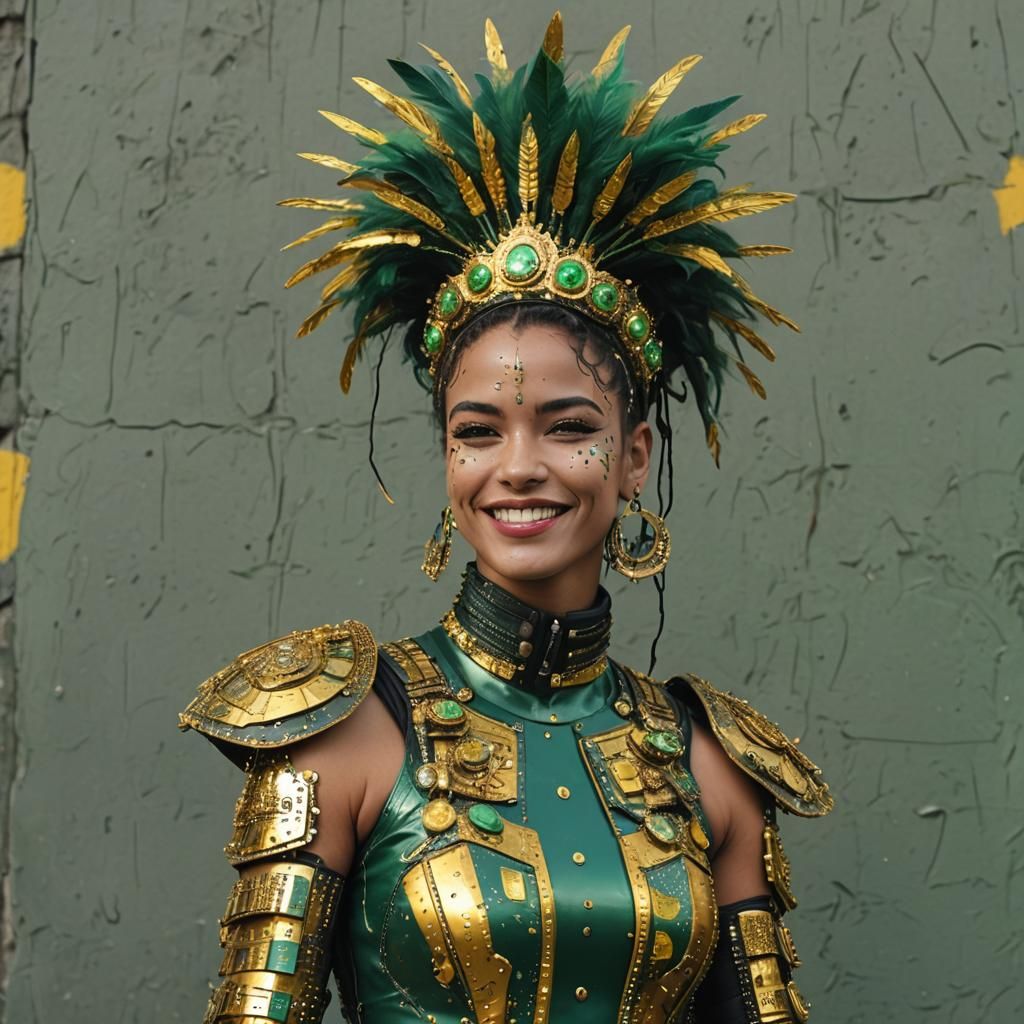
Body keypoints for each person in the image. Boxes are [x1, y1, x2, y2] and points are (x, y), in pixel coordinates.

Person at [180, 13, 833, 1023]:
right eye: (477, 432)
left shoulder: (710, 762)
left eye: (568, 427)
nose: (517, 468)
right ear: (449, 457)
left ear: (633, 457)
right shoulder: (345, 733)